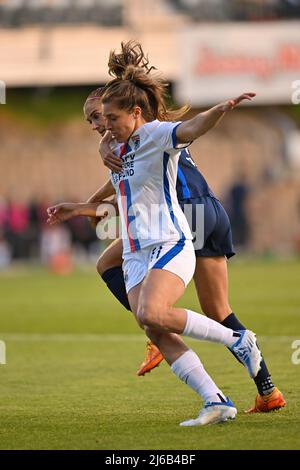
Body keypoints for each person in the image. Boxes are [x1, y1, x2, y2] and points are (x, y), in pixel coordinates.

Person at [47, 42, 265, 426]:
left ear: (129, 112)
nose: (101, 126)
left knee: (156, 311)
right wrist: (80, 207)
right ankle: (216, 400)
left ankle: (239, 342)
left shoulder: (155, 135)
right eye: (98, 121)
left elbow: (191, 128)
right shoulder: (116, 146)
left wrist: (220, 109)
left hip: (173, 234)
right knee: (152, 321)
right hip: (135, 249)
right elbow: (122, 191)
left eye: (104, 118)